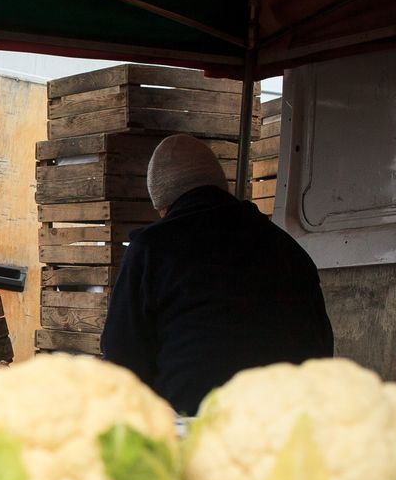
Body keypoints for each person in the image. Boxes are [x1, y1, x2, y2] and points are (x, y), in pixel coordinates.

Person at [101, 133, 334, 415]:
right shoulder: (288, 249)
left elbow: (121, 359)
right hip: (290, 428)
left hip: (197, 431)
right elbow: (322, 350)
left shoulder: (153, 249)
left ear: (164, 207)